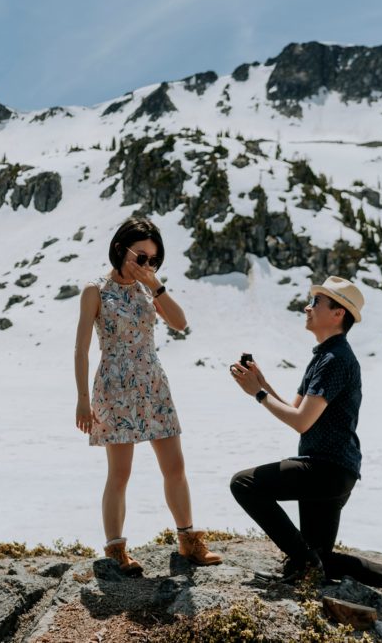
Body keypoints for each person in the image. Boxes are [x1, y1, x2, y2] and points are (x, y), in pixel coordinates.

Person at [228, 276, 382, 619]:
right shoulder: (325, 356)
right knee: (322, 555)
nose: (307, 308)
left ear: (338, 313)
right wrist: (261, 382)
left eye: (316, 303)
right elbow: (298, 412)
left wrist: (259, 394)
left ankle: (303, 563)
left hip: (325, 468)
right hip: (334, 470)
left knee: (244, 484)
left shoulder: (336, 359)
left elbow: (300, 423)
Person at [74, 216, 221, 575]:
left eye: (153, 259)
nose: (147, 265)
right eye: (141, 257)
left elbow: (180, 322)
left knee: (175, 466)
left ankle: (188, 542)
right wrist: (81, 399)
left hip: (153, 383)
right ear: (121, 248)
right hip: (115, 386)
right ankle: (115, 550)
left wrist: (155, 284)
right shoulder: (95, 290)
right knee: (120, 473)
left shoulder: (148, 289)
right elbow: (81, 349)